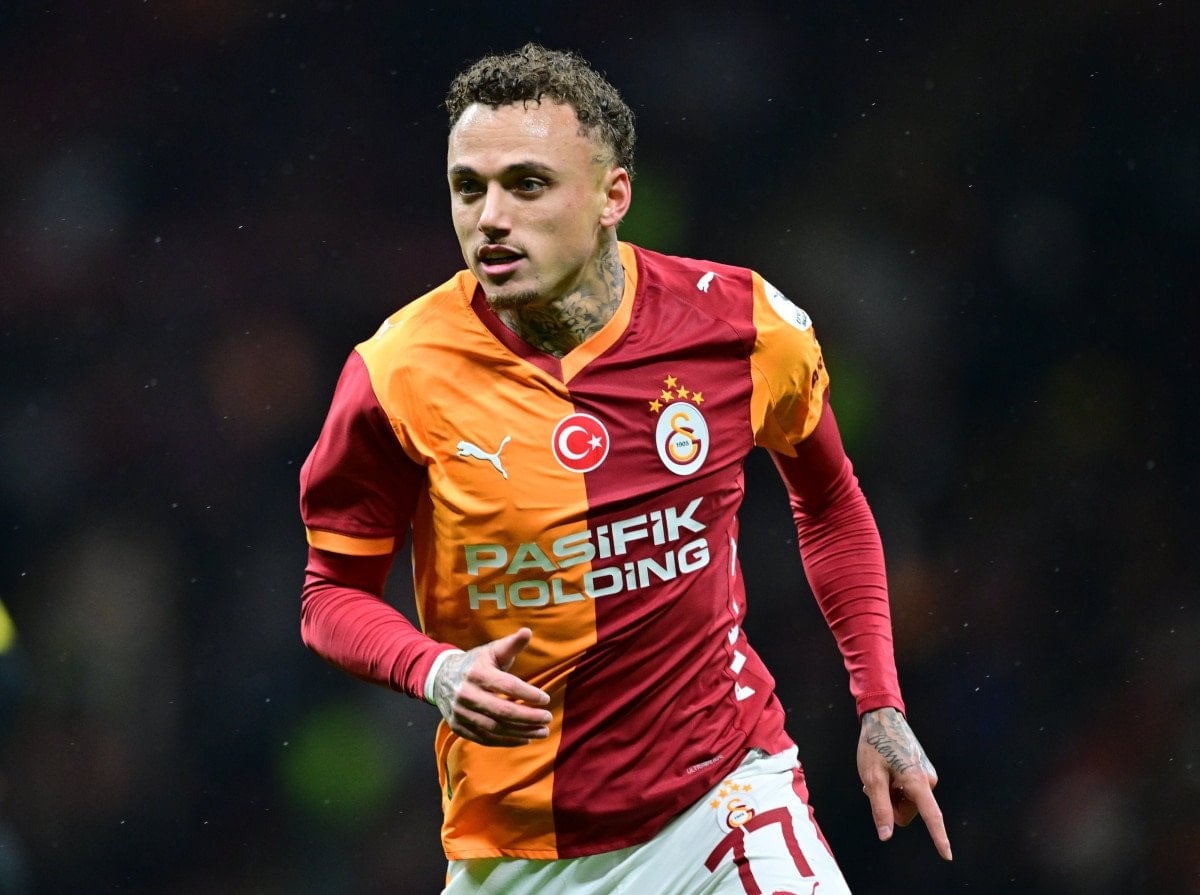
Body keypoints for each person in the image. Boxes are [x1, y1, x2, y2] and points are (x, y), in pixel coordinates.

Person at [299, 43, 951, 894]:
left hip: (722, 802)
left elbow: (829, 499)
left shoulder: (743, 326)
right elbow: (330, 595)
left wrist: (881, 702)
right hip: (517, 852)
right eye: (468, 187)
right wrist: (436, 670)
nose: (490, 217)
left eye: (527, 184)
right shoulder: (395, 373)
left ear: (614, 196)